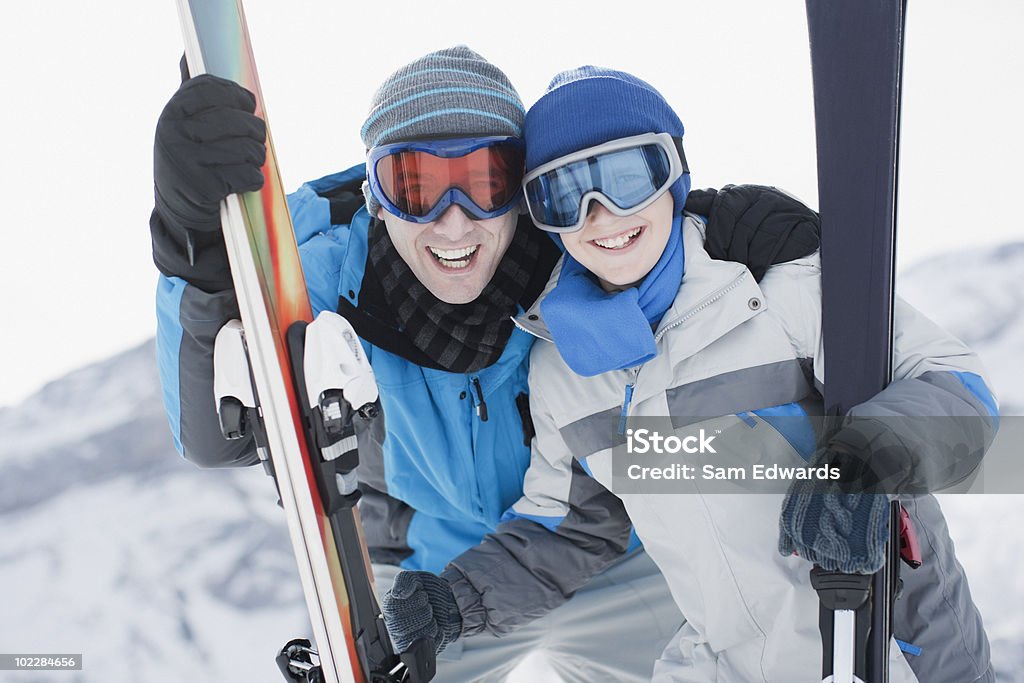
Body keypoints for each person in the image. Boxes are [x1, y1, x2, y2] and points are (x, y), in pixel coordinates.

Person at [150, 47, 822, 682]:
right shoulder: (323, 277)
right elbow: (220, 437)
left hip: (606, 551)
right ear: (376, 195)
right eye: (414, 186)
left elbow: (638, 228)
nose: (453, 222)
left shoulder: (573, 258)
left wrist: (721, 227)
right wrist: (197, 255)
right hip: (428, 575)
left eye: (484, 182)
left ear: (523, 191)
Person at [391, 66, 1000, 682]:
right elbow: (571, 529)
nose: (600, 215)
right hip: (723, 664)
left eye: (628, 177)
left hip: (885, 649)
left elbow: (959, 391)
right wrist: (456, 602)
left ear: (675, 174)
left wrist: (863, 465)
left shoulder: (780, 288)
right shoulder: (564, 370)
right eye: (564, 193)